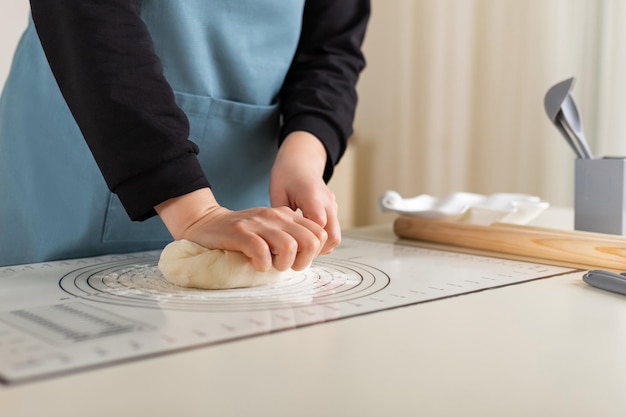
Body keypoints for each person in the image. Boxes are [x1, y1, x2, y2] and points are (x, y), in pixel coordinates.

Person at [0, 1, 370, 270]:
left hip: (246, 187)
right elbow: (89, 14)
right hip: (78, 164)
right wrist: (196, 213)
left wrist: (303, 157)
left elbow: (332, 45)